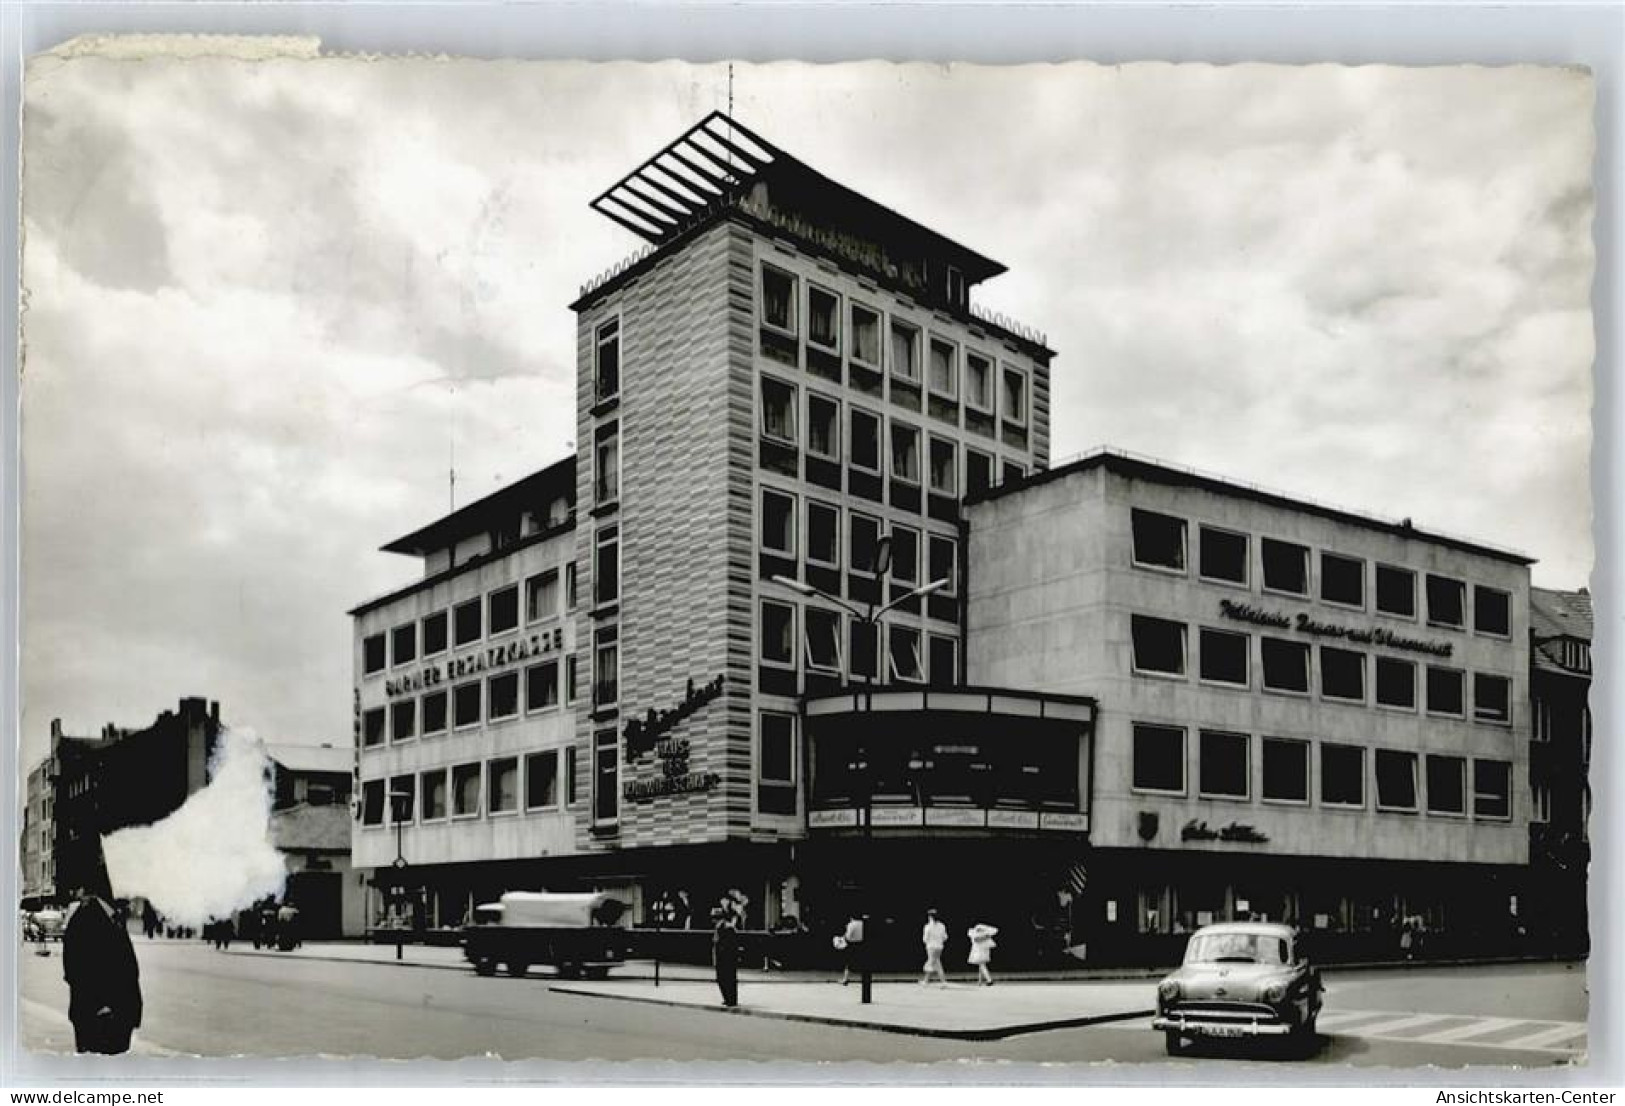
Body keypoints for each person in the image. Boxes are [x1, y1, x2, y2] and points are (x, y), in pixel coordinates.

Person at [62, 886, 143, 1054]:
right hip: (101, 1017)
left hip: (115, 1013)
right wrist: (101, 1005)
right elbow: (76, 970)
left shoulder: (111, 917)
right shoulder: (87, 919)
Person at [712, 901, 741, 1008]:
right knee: (724, 978)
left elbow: (729, 944)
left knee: (727, 978)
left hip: (726, 957)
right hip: (723, 957)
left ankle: (730, 999)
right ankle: (728, 998)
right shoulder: (720, 927)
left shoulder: (727, 928)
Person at [920, 908, 949, 986]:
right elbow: (945, 937)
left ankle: (939, 982)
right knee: (936, 962)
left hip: (931, 946)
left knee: (931, 962)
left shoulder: (928, 927)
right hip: (939, 946)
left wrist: (928, 941)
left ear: (930, 917)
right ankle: (928, 981)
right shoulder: (942, 925)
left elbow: (925, 939)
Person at [839, 914, 865, 986]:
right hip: (862, 944)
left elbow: (848, 937)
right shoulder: (863, 923)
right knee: (863, 963)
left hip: (852, 945)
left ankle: (845, 979)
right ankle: (865, 979)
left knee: (848, 963)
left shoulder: (851, 924)